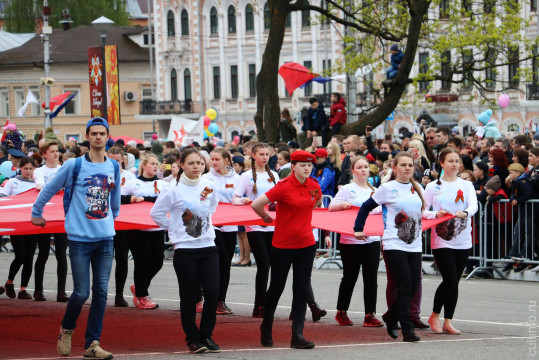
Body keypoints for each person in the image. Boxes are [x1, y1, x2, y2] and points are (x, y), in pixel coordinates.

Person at [31, 117, 120, 359]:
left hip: (105, 240)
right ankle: (67, 329)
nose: (99, 137)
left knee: (101, 292)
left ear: (107, 137)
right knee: (81, 293)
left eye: (102, 133)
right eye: (94, 134)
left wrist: (111, 221)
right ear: (88, 137)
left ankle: (92, 343)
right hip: (80, 239)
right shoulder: (74, 166)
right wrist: (36, 212)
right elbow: (50, 189)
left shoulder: (113, 166)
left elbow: (115, 199)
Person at [150, 148, 221, 354]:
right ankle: (192, 338)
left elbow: (212, 206)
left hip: (208, 247)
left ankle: (206, 335)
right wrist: (174, 229)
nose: (196, 167)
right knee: (189, 296)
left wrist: (203, 224)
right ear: (182, 165)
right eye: (191, 163)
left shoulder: (209, 185)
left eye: (199, 163)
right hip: (185, 250)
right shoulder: (173, 190)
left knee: (212, 293)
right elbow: (156, 213)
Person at [251, 150, 321, 349]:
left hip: (306, 245)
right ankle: (266, 326)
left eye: (309, 166)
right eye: (302, 165)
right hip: (282, 246)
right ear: (293, 167)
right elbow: (257, 204)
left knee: (300, 290)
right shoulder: (283, 186)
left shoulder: (314, 186)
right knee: (276, 288)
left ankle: (297, 335)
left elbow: (316, 202)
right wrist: (266, 218)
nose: (307, 168)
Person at [353, 152, 425, 342]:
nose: (408, 168)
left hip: (415, 244)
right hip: (394, 243)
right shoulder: (387, 188)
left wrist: (440, 215)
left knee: (412, 287)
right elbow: (366, 207)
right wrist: (358, 228)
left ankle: (391, 316)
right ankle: (407, 330)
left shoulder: (416, 188)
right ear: (394, 167)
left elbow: (422, 214)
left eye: (410, 165)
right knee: (404, 286)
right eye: (403, 165)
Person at [423, 148, 478, 335]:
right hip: (441, 237)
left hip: (463, 237)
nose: (455, 164)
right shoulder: (432, 186)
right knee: (449, 279)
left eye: (457, 161)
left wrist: (466, 213)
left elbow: (473, 205)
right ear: (442, 163)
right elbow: (423, 210)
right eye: (450, 161)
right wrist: (434, 214)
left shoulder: (466, 185)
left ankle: (448, 321)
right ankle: (434, 315)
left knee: (455, 282)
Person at [329, 156, 383, 327]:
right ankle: (341, 311)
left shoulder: (375, 190)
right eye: (359, 167)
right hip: (351, 239)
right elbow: (331, 206)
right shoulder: (347, 189)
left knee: (371, 278)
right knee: (350, 276)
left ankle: (370, 314)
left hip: (372, 238)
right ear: (352, 171)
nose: (363, 170)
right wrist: (344, 204)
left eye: (365, 167)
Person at [233, 143, 279, 318]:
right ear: (253, 155)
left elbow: (281, 197)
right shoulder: (245, 177)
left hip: (273, 225)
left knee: (275, 266)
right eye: (261, 154)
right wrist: (243, 201)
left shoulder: (274, 175)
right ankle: (259, 305)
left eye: (267, 154)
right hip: (254, 225)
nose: (265, 157)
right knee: (263, 265)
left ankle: (269, 303)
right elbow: (235, 198)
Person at [122, 153, 169, 309]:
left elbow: (166, 200)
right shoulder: (132, 183)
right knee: (142, 262)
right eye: (152, 163)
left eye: (157, 164)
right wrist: (132, 199)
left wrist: (146, 199)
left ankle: (139, 287)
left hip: (156, 227)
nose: (156, 166)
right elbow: (119, 198)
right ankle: (142, 296)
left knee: (157, 262)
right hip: (137, 228)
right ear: (144, 165)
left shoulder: (163, 184)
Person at [202, 148, 241, 315]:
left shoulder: (238, 178)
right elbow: (201, 198)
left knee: (226, 264)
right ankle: (209, 296)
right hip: (213, 225)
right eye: (211, 159)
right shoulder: (206, 178)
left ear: (226, 160)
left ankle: (220, 300)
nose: (213, 162)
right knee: (221, 259)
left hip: (230, 225)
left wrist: (242, 200)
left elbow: (240, 197)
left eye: (217, 159)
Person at [31, 140, 70, 302]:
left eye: (57, 151)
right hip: (44, 215)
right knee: (44, 253)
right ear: (44, 154)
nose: (56, 153)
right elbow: (40, 185)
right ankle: (38, 290)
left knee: (61, 253)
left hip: (61, 215)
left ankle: (61, 291)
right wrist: (57, 186)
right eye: (52, 151)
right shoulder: (39, 171)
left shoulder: (64, 169)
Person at [0, 157, 38, 300]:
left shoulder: (37, 184)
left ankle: (23, 289)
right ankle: (10, 282)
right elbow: (3, 199)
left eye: (30, 168)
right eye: (25, 168)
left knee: (29, 258)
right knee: (21, 255)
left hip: (33, 224)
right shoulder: (12, 182)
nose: (28, 171)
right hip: (17, 225)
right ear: (20, 168)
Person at [107, 147, 138, 307]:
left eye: (117, 161)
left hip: (124, 224)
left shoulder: (130, 177)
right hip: (104, 222)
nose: (114, 164)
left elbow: (136, 197)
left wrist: (128, 199)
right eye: (111, 160)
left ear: (123, 161)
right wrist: (127, 199)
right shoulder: (102, 174)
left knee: (122, 259)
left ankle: (119, 294)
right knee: (101, 258)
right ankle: (99, 292)